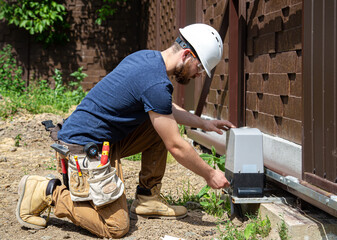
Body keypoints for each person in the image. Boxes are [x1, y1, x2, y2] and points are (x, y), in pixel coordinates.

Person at [16, 23, 234, 238]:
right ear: (187, 54)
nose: (198, 75)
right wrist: (210, 174)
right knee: (116, 227)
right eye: (200, 68)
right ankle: (46, 191)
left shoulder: (147, 58)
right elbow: (176, 146)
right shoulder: (156, 83)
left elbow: (165, 108)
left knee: (160, 124)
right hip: (81, 148)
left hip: (102, 140)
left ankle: (148, 199)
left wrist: (203, 123)